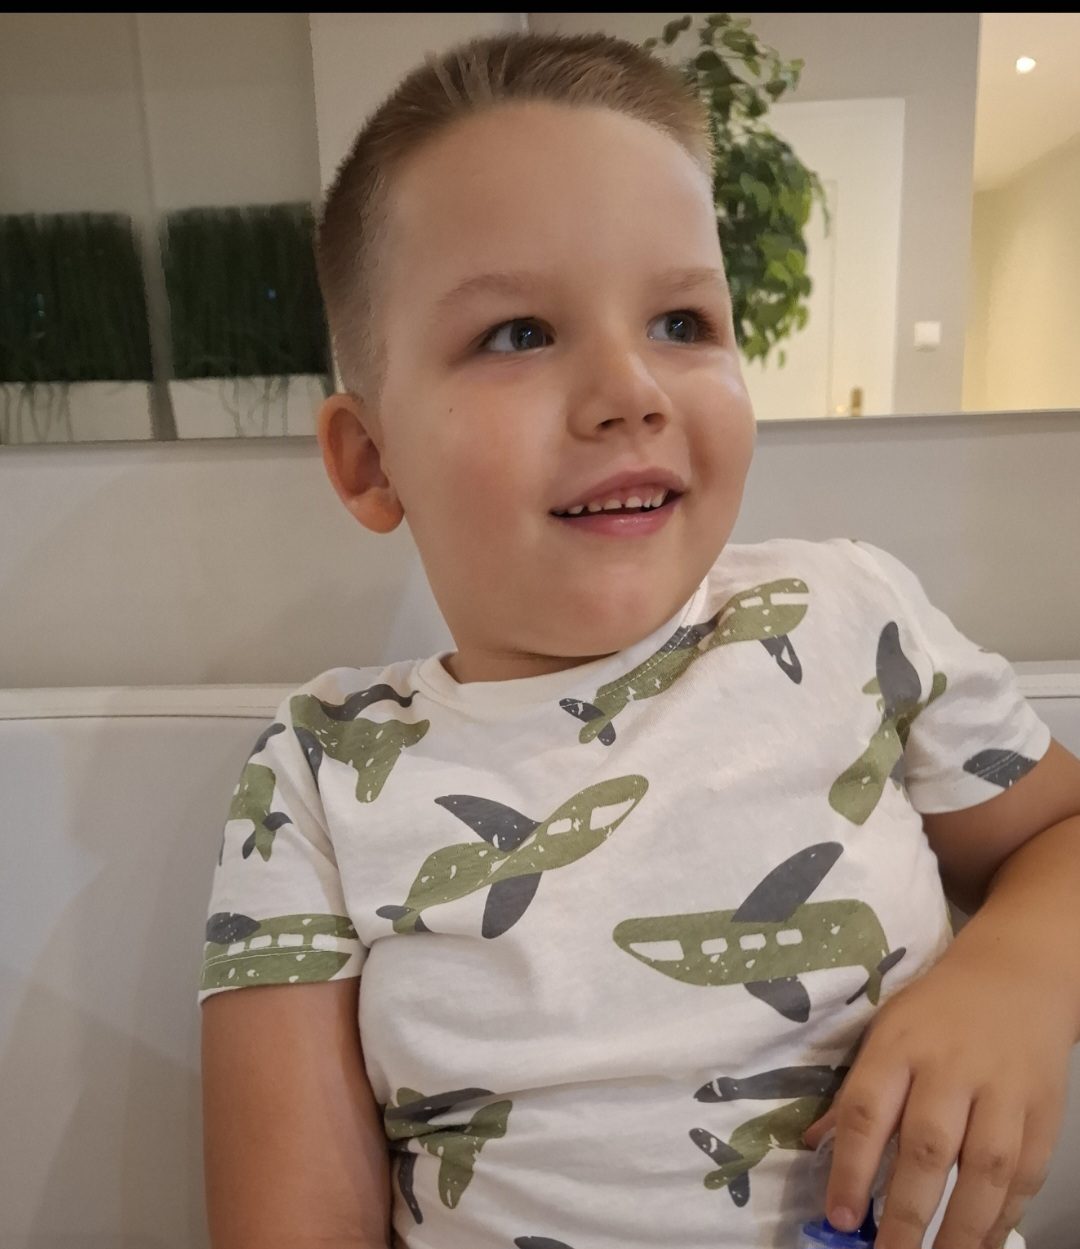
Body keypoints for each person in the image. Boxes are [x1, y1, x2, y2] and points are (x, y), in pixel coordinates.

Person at [198, 29, 1080, 1249]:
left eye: (681, 319)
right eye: (519, 333)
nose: (632, 391)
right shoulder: (318, 770)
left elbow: (1061, 835)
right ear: (369, 459)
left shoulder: (850, 616)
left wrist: (1019, 974)